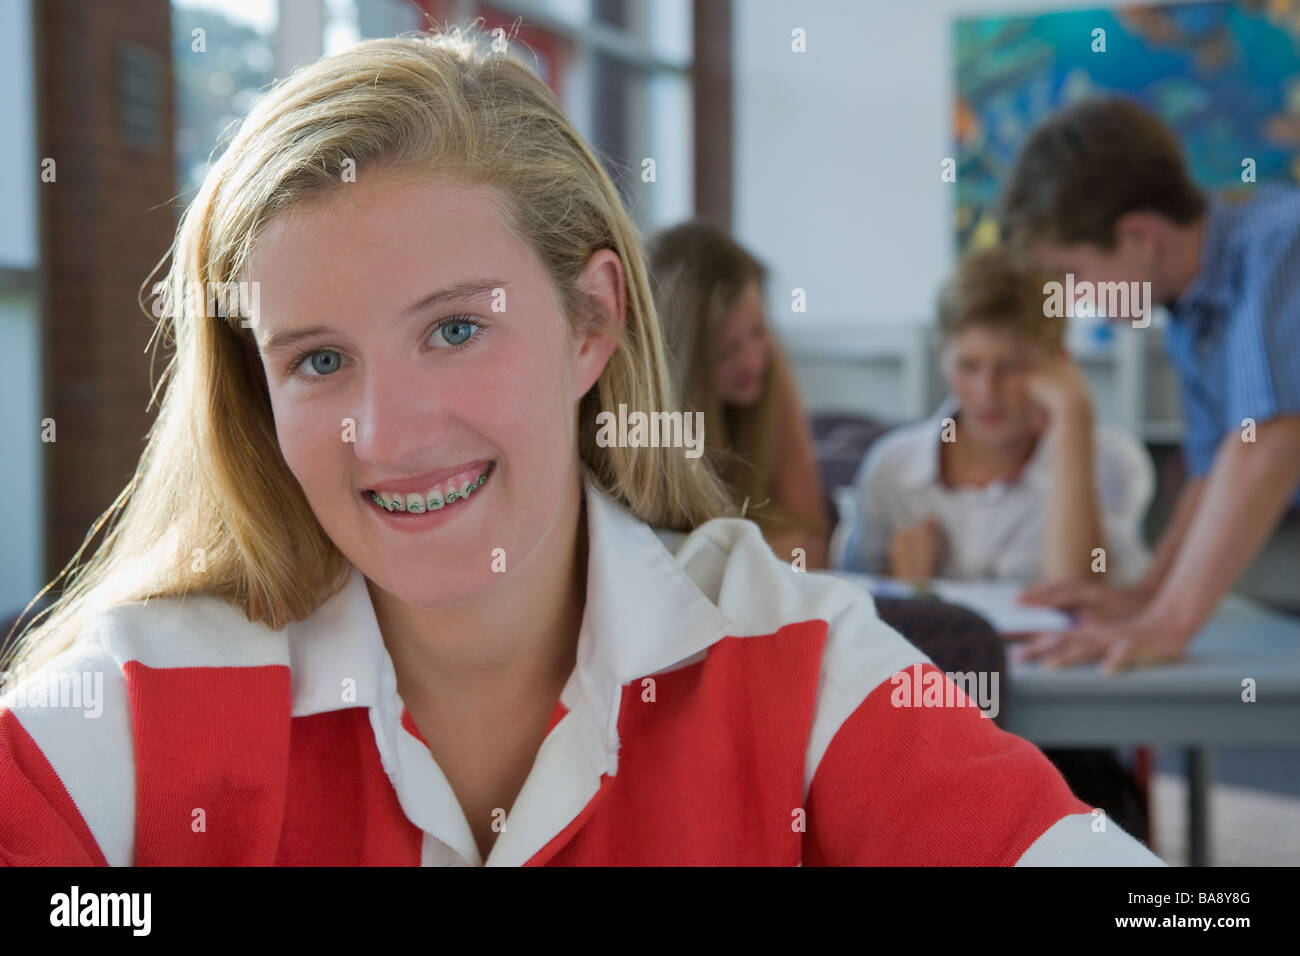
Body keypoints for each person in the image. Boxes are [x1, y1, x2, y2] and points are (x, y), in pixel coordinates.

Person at [0, 31, 1161, 866]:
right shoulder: (145, 692)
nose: (391, 434)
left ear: (593, 321)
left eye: (456, 329)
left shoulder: (791, 656)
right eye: (316, 359)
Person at [1000, 96, 1300, 673]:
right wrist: (1148, 597)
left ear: (1139, 236)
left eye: (1072, 274)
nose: (1072, 297)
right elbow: (1213, 470)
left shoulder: (1279, 245)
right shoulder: (1190, 314)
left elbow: (1269, 440)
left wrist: (1170, 624)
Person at [839, 246, 1153, 588]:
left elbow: (1076, 591)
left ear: (1058, 363)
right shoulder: (890, 468)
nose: (986, 391)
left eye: (1011, 367)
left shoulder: (1109, 462)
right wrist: (905, 587)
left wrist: (1073, 414)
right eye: (968, 366)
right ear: (941, 358)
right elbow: (853, 608)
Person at [648, 221, 829, 569]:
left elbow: (808, 548)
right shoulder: (640, 421)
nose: (752, 360)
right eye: (726, 350)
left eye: (759, 331)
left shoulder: (769, 369)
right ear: (680, 362)